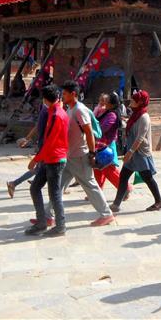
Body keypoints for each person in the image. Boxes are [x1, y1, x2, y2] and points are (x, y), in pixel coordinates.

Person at [57, 80, 115, 226]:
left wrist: (91, 153)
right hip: (70, 156)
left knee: (90, 185)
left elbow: (89, 133)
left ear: (73, 94)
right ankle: (48, 214)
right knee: (58, 186)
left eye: (64, 94)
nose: (62, 96)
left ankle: (106, 214)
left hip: (80, 155)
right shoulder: (70, 109)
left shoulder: (79, 110)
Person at [110, 90, 161, 213]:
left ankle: (158, 201)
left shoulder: (144, 117)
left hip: (140, 153)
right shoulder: (135, 115)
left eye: (134, 100)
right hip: (132, 152)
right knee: (123, 177)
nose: (131, 102)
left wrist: (129, 153)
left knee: (147, 178)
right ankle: (116, 204)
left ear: (140, 102)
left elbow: (140, 137)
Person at [26, 85, 69, 236]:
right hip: (49, 157)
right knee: (35, 188)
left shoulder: (57, 114)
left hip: (55, 158)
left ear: (45, 99)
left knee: (54, 194)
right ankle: (41, 222)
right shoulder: (53, 111)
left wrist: (35, 159)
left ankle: (60, 225)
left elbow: (50, 141)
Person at [93, 92, 132, 198]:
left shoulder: (112, 115)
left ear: (112, 103)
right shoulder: (105, 112)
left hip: (106, 147)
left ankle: (126, 188)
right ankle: (97, 192)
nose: (105, 102)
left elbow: (102, 129)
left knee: (108, 170)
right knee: (97, 169)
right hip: (98, 146)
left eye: (107, 101)